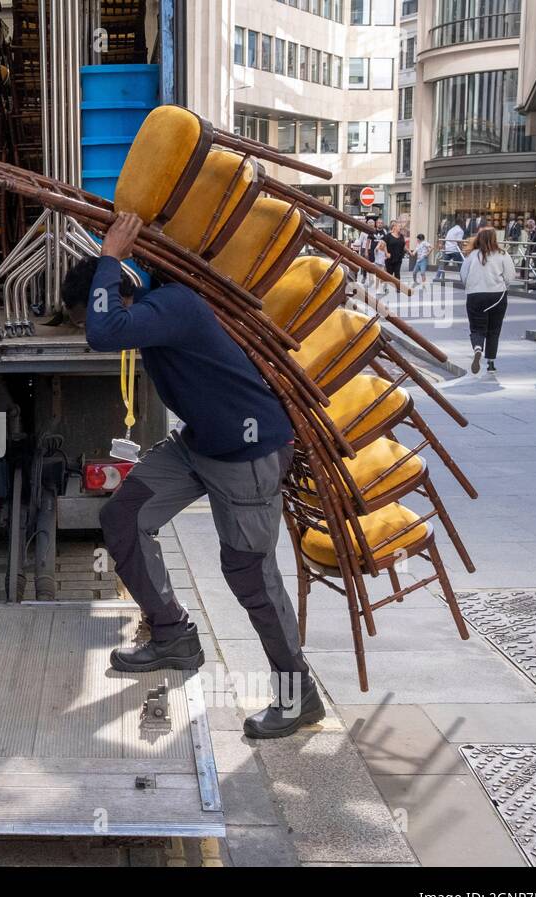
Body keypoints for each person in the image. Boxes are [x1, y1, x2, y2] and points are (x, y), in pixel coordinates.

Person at [62, 211, 323, 739]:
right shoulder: (161, 303)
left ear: (122, 292)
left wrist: (109, 254)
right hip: (200, 442)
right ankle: (173, 635)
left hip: (248, 452)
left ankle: (300, 695)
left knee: (248, 572)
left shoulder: (172, 306)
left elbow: (102, 331)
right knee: (124, 515)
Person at [460, 226, 517, 375]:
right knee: (494, 330)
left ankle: (478, 347)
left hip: (475, 295)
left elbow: (463, 276)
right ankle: (491, 363)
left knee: (477, 327)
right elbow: (511, 275)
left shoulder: (472, 255)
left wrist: (472, 286)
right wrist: (502, 285)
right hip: (497, 296)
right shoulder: (502, 254)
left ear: (479, 238)